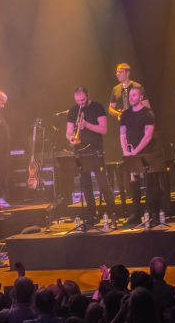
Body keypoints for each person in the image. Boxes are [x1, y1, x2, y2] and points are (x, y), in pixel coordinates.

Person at [65, 87, 115, 221]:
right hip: (80, 152)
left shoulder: (97, 107)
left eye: (82, 100)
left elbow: (103, 129)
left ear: (87, 96)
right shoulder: (73, 110)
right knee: (86, 184)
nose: (80, 103)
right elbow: (68, 132)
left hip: (95, 151)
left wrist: (87, 125)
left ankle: (113, 212)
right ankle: (92, 214)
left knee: (103, 183)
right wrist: (71, 138)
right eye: (77, 101)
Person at [120, 87, 160, 224]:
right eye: (130, 95)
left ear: (141, 97)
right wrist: (126, 152)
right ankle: (136, 213)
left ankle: (152, 213)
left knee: (151, 184)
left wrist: (135, 152)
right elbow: (122, 134)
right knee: (133, 183)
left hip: (146, 153)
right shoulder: (125, 114)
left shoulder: (148, 113)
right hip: (131, 153)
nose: (131, 97)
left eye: (134, 95)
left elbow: (148, 136)